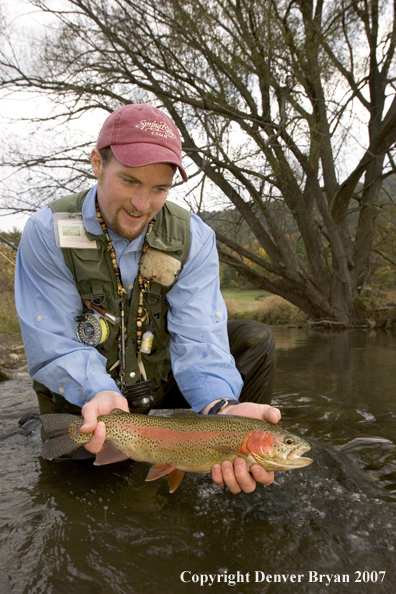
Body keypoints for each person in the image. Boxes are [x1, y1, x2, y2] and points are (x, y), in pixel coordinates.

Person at [15, 103, 280, 494]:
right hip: (89, 397)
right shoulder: (46, 232)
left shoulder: (195, 238)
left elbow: (200, 337)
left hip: (156, 377)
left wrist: (222, 409)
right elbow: (52, 342)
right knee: (82, 496)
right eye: (129, 181)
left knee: (254, 339)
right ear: (96, 164)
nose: (142, 205)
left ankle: (238, 471)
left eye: (159, 189)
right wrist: (97, 392)